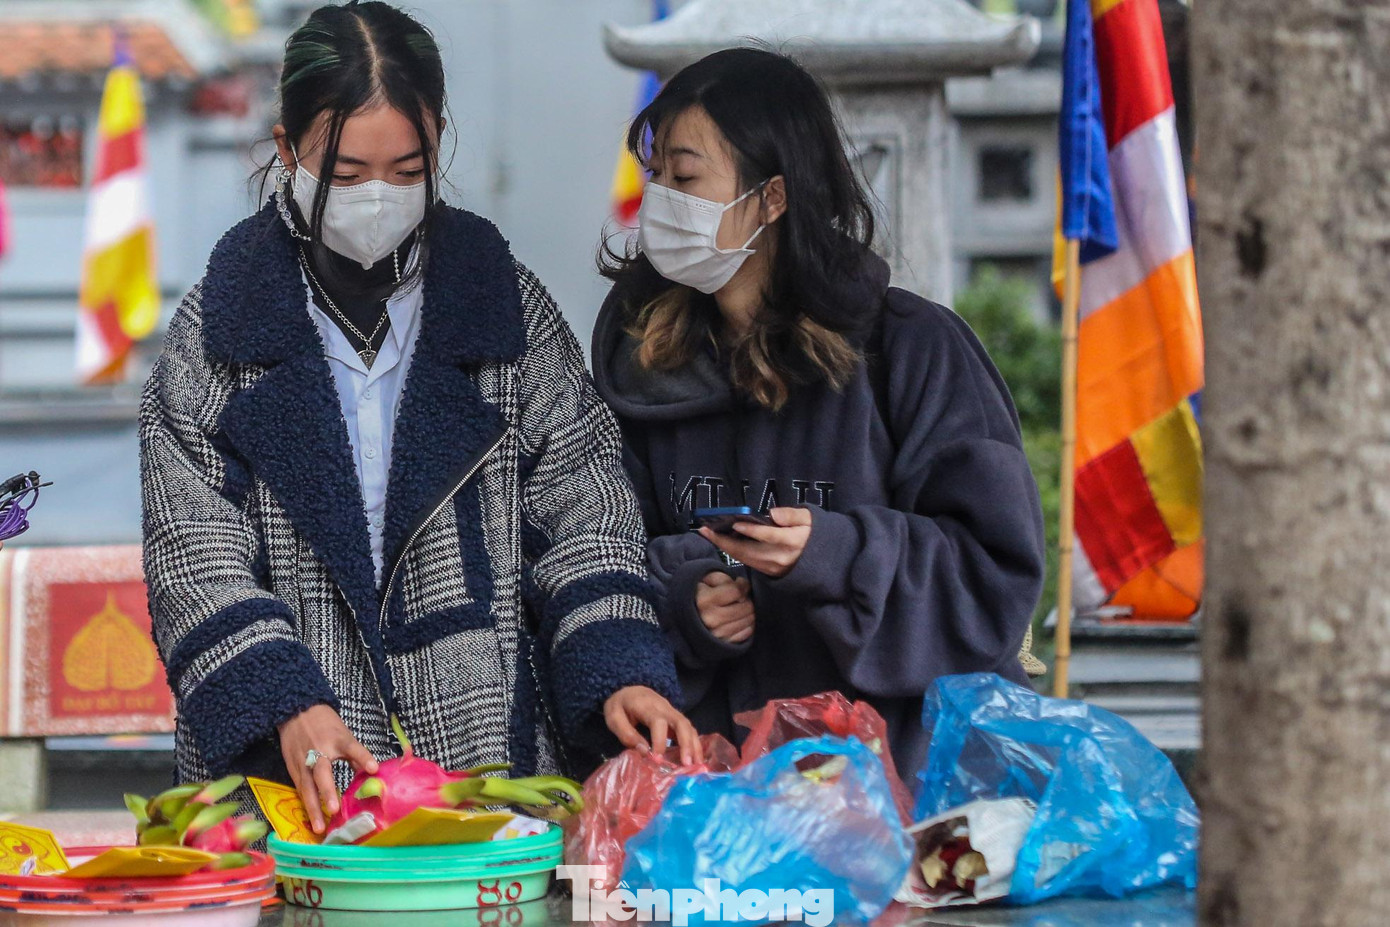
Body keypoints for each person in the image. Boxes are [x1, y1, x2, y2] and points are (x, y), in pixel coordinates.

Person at [140, 0, 696, 834]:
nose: (379, 195)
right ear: (286, 149)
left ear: (439, 140)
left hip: (484, 763)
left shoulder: (503, 308)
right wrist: (282, 699)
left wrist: (622, 669)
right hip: (282, 786)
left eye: (408, 169)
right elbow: (194, 557)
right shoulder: (214, 336)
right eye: (347, 172)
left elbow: (587, 510)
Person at [593, 48, 1046, 779]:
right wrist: (687, 604)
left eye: (685, 177)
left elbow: (993, 573)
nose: (661, 201)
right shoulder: (641, 367)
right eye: (655, 177)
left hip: (901, 785)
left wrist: (835, 553)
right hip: (718, 793)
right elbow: (593, 555)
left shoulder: (915, 350)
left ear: (772, 198)